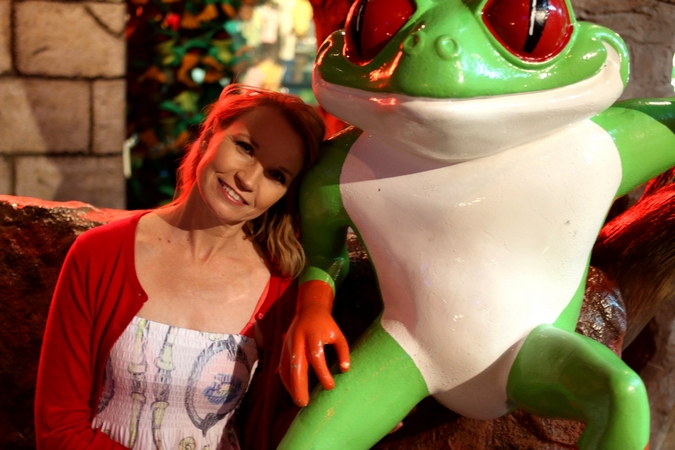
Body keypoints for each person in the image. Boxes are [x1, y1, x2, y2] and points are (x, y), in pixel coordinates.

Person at [34, 84, 325, 450]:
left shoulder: (281, 288)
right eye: (245, 148)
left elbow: (272, 432)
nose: (248, 180)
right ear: (208, 136)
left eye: (276, 175)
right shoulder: (100, 253)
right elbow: (58, 427)